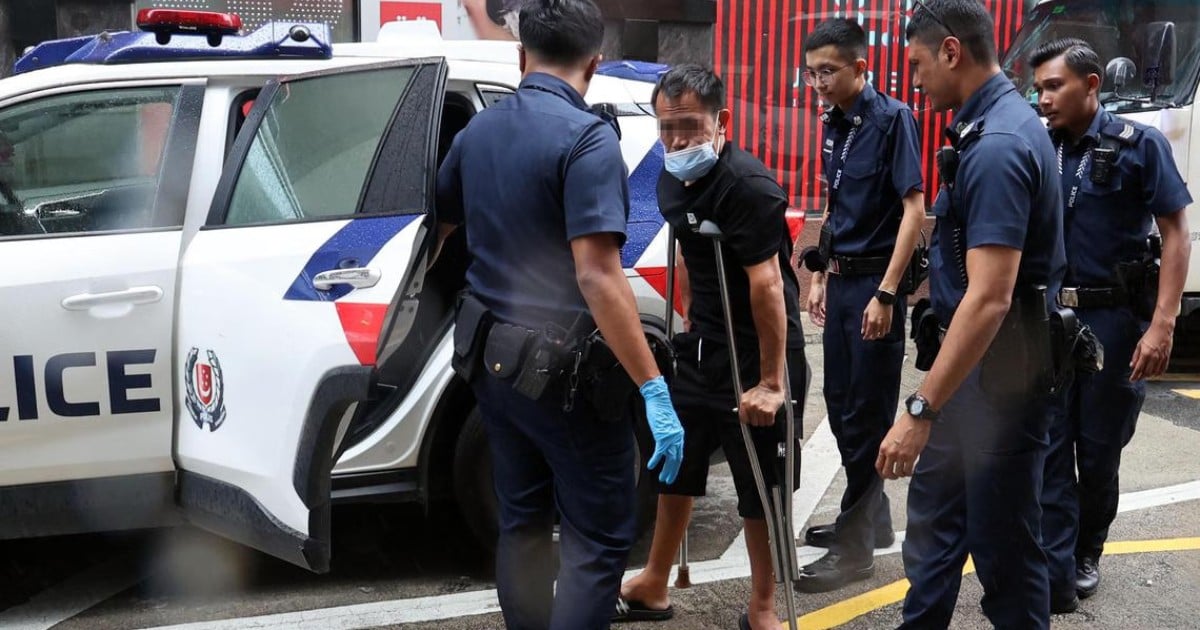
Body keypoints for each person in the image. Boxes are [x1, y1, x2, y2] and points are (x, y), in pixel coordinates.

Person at [434, 1, 685, 628]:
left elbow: (438, 230)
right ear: (594, 64)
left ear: (522, 56)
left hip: (492, 364)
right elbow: (598, 275)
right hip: (567, 378)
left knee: (521, 523)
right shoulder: (587, 139)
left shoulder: (477, 132)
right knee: (595, 539)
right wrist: (653, 388)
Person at [873, 1, 1067, 628]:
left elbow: (990, 297)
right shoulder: (989, 128)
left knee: (1006, 556)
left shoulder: (1000, 144)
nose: (913, 80)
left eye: (918, 63)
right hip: (970, 380)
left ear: (952, 51)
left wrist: (921, 409)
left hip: (999, 388)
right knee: (932, 537)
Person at [615, 64, 807, 630]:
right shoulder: (672, 176)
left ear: (722, 121)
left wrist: (772, 383)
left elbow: (768, 286)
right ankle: (654, 582)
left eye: (690, 127)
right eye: (666, 127)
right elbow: (683, 256)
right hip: (704, 343)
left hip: (760, 350)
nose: (676, 141)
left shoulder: (749, 187)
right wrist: (688, 324)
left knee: (760, 484)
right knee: (677, 462)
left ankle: (764, 606)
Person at [1030, 38, 1192, 612]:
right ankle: (1054, 558)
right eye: (1039, 87)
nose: (1043, 98)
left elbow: (1176, 230)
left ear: (1092, 84)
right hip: (1050, 321)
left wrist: (1163, 323)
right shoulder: (1038, 146)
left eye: (1054, 86)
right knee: (1050, 445)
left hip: (1113, 322)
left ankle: (1086, 550)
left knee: (1098, 452)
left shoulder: (1137, 144)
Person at [797, 17, 925, 593]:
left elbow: (914, 213)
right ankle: (870, 523)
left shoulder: (894, 119)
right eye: (812, 73)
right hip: (843, 284)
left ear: (860, 67)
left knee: (868, 414)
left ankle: (856, 552)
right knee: (843, 406)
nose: (818, 83)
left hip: (876, 289)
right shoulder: (833, 124)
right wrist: (821, 272)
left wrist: (887, 293)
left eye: (828, 71)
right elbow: (837, 203)